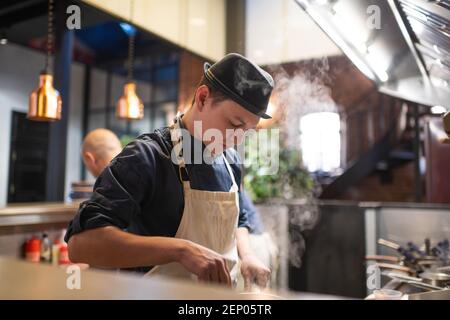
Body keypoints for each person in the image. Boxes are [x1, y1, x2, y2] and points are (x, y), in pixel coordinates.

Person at [65, 53, 274, 289]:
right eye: (235, 124)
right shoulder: (147, 157)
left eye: (247, 131)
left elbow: (240, 220)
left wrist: (247, 255)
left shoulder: (231, 161)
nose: (238, 139)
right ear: (203, 98)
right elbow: (81, 245)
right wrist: (181, 251)